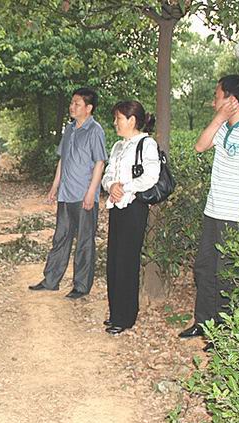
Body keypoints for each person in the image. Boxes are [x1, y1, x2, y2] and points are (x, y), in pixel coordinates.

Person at [179, 75, 239, 340]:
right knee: (204, 268)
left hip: (236, 216)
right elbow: (200, 146)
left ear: (231, 99)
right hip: (214, 211)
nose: (213, 102)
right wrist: (219, 118)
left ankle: (223, 333)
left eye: (217, 96)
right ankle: (203, 322)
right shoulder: (222, 128)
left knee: (227, 275)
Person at [29, 88, 107, 299]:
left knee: (84, 241)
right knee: (60, 237)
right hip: (65, 193)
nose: (72, 107)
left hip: (84, 196)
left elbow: (100, 162)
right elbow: (62, 160)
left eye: (77, 104)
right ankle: (51, 280)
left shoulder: (95, 130)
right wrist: (54, 187)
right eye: (72, 103)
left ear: (88, 108)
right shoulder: (69, 129)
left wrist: (91, 192)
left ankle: (81, 286)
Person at [101, 101, 160, 335]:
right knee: (114, 260)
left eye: (118, 118)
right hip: (116, 206)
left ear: (132, 120)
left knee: (127, 261)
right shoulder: (118, 146)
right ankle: (115, 312)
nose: (115, 123)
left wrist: (124, 187)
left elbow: (151, 176)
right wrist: (111, 186)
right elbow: (107, 174)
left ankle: (125, 317)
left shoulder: (147, 144)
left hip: (134, 207)